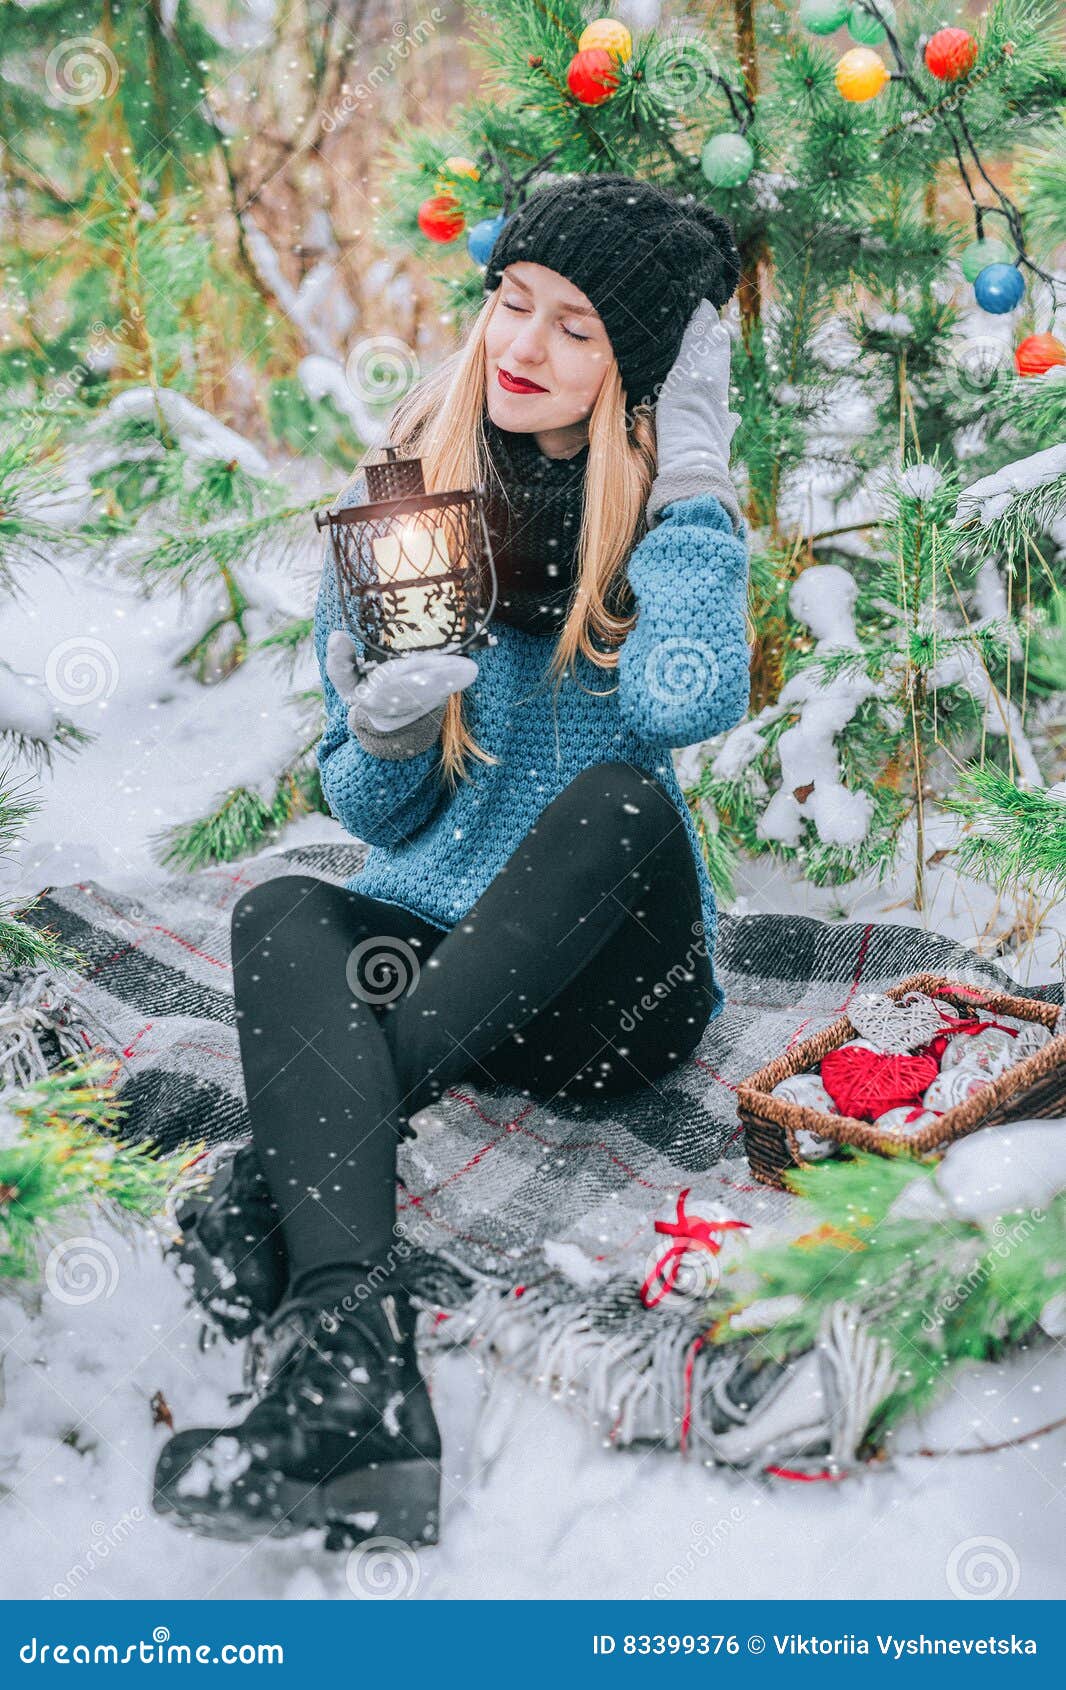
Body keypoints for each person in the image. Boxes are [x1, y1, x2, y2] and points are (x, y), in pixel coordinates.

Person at [152, 172, 750, 1549]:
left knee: (612, 796)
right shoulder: (415, 496)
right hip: (461, 984)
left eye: (577, 329)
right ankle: (353, 1381)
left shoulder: (666, 506)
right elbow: (381, 816)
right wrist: (386, 726)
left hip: (614, 995)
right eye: (512, 303)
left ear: (637, 372)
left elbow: (677, 701)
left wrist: (698, 479)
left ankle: (269, 1175)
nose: (523, 347)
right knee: (287, 911)